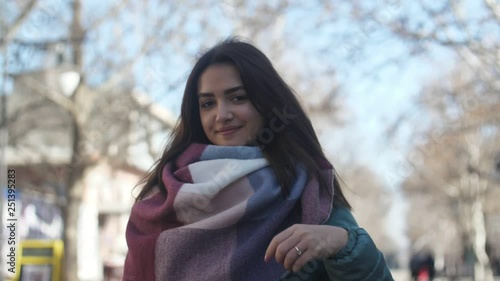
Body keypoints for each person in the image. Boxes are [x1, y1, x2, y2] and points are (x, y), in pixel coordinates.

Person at [123, 37, 394, 281]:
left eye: (238, 98)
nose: (222, 114)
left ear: (266, 103)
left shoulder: (310, 194)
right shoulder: (161, 199)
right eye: (208, 103)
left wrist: (343, 244)